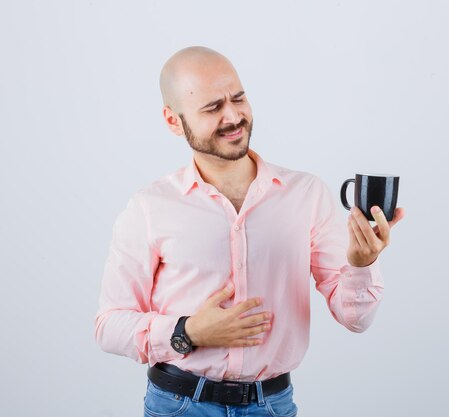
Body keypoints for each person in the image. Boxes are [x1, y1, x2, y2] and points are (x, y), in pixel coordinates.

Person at [94, 46, 405, 417]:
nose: (233, 116)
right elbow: (109, 325)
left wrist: (362, 263)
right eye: (212, 107)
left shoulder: (305, 194)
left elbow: (356, 319)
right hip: (177, 405)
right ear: (173, 121)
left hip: (272, 405)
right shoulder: (149, 206)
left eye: (238, 98)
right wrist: (188, 332)